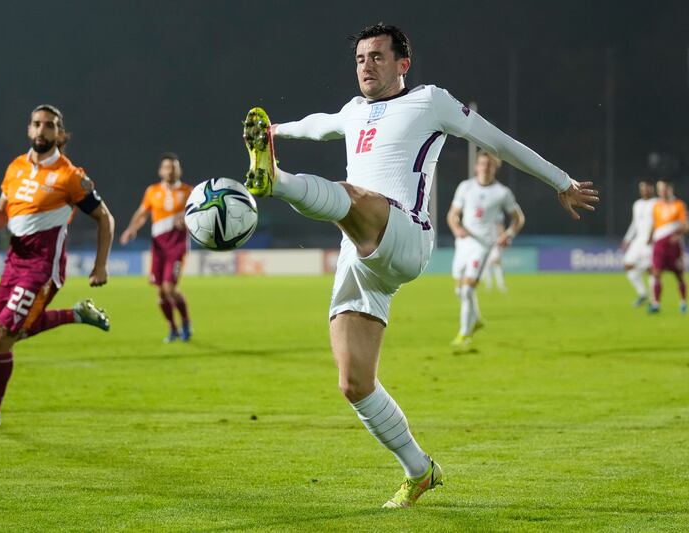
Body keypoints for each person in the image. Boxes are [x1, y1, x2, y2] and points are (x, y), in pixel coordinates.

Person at [241, 23, 598, 507]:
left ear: (402, 64)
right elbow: (320, 123)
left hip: (408, 235)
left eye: (377, 57)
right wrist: (276, 130)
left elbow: (498, 141)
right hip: (361, 256)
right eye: (361, 58)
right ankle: (419, 469)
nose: (366, 65)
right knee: (354, 383)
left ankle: (275, 181)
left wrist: (561, 181)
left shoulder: (430, 101)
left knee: (349, 197)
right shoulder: (353, 112)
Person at [0, 104, 114, 428]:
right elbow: (3, 212)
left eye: (50, 125)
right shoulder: (16, 167)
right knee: (3, 336)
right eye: (37, 124)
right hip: (13, 261)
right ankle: (75, 314)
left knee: (3, 335)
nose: (42, 130)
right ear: (29, 129)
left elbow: (105, 218)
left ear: (60, 134)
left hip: (42, 268)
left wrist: (101, 266)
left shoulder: (70, 176)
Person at [447, 151, 524, 352]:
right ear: (476, 166)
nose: (484, 168)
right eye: (482, 164)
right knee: (459, 290)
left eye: (489, 165)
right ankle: (477, 318)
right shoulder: (465, 187)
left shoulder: (502, 193)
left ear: (495, 168)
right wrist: (456, 229)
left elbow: (518, 218)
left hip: (483, 246)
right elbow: (452, 215)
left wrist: (508, 235)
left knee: (467, 290)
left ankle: (464, 333)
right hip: (463, 243)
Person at [120, 153, 193, 342]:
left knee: (169, 288)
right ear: (161, 171)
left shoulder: (189, 192)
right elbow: (142, 213)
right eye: (167, 167)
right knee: (160, 293)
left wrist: (185, 218)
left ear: (179, 170)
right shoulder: (152, 191)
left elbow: (201, 215)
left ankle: (185, 321)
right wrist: (131, 229)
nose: (171, 170)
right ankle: (172, 328)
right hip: (159, 247)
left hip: (177, 246)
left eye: (174, 167)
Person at [648, 179, 689, 314]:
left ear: (670, 189)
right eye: (660, 189)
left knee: (679, 275)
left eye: (664, 188)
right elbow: (654, 224)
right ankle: (656, 304)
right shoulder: (656, 206)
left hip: (673, 246)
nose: (662, 191)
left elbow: (687, 226)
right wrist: (650, 238)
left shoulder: (679, 205)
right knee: (656, 273)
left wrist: (678, 235)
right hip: (659, 245)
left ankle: (683, 303)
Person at [621, 180, 657, 307]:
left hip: (652, 241)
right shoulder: (637, 204)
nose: (644, 190)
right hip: (639, 240)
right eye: (642, 188)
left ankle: (654, 300)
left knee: (651, 270)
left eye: (646, 188)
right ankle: (642, 294)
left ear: (652, 188)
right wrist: (627, 239)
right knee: (627, 264)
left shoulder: (657, 203)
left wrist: (654, 236)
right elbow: (634, 224)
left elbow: (659, 222)